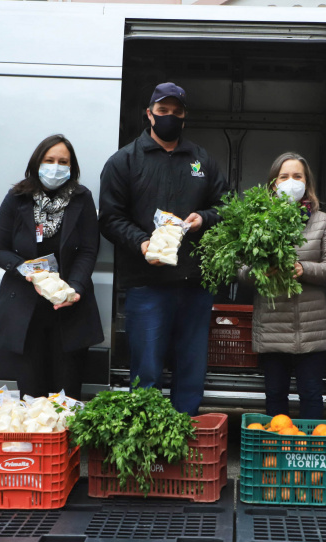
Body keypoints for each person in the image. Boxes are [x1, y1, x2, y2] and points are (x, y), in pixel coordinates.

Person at [98, 82, 230, 416]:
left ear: (184, 118)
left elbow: (227, 206)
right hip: (147, 284)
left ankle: (184, 432)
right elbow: (110, 218)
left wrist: (204, 217)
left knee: (191, 369)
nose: (169, 117)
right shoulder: (124, 161)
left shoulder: (201, 161)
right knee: (148, 369)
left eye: (176, 112)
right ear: (149, 114)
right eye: (162, 111)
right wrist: (141, 242)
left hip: (195, 284)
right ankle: (148, 437)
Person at [0, 134, 103, 399]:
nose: (55, 167)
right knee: (31, 395)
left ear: (72, 167)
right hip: (25, 311)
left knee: (67, 396)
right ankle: (37, 442)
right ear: (36, 162)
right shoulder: (17, 198)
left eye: (63, 161)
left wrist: (75, 289)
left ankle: (65, 440)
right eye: (49, 160)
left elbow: (88, 249)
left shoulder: (82, 198)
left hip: (70, 310)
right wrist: (26, 269)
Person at [242, 153, 326, 419]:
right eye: (284, 176)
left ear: (307, 182)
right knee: (275, 396)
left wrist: (304, 269)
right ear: (273, 183)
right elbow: (241, 272)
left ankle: (309, 454)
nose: (291, 182)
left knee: (311, 395)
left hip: (312, 330)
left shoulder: (322, 221)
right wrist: (262, 271)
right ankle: (276, 453)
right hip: (273, 327)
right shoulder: (257, 221)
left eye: (297, 176)